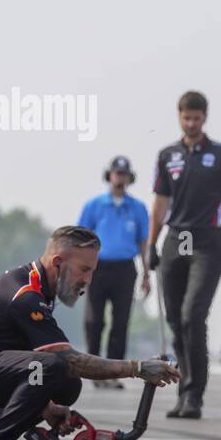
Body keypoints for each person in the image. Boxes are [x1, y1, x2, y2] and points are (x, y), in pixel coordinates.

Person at [0, 227, 179, 440]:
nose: (88, 280)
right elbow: (69, 360)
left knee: (67, 384)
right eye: (84, 270)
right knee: (56, 366)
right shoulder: (26, 294)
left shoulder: (38, 289)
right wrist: (138, 368)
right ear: (58, 262)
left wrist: (44, 406)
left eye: (92, 272)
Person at [147, 90, 221, 419]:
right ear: (179, 116)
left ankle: (194, 395)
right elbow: (160, 204)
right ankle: (183, 386)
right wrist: (151, 244)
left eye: (197, 119)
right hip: (177, 238)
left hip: (207, 240)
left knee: (193, 316)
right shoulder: (167, 155)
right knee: (177, 320)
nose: (191, 123)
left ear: (205, 118)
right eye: (186, 118)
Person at [77, 156, 151, 389]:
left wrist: (147, 274)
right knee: (94, 320)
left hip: (125, 268)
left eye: (124, 175)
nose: (120, 179)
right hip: (98, 267)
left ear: (130, 178)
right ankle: (92, 366)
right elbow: (80, 239)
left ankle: (113, 372)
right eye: (116, 174)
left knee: (120, 322)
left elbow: (143, 243)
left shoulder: (137, 208)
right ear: (109, 176)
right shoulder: (94, 205)